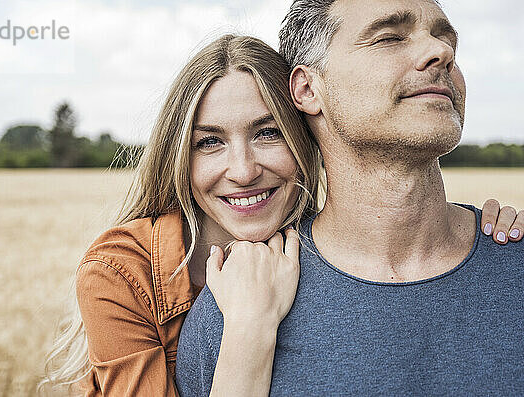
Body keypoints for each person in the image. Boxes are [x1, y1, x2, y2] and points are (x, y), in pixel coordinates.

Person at [40, 34, 521, 396]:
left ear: (306, 138)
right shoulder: (120, 272)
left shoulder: (324, 252)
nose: (244, 171)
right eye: (210, 142)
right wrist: (249, 328)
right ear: (178, 157)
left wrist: (481, 236)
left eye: (268, 133)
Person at [175, 1, 524, 396]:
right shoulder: (234, 311)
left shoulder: (514, 251)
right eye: (389, 37)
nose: (440, 52)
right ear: (308, 89)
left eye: (445, 39)